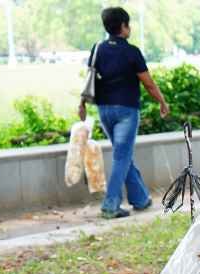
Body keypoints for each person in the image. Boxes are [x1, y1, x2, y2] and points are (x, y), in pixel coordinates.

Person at [78, 7, 170, 219]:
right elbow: (148, 84)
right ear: (123, 26)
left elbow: (89, 78)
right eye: (128, 24)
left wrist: (82, 103)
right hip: (126, 111)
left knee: (123, 155)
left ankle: (140, 198)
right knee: (122, 156)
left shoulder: (98, 48)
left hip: (104, 111)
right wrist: (162, 102)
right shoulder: (132, 52)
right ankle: (111, 205)